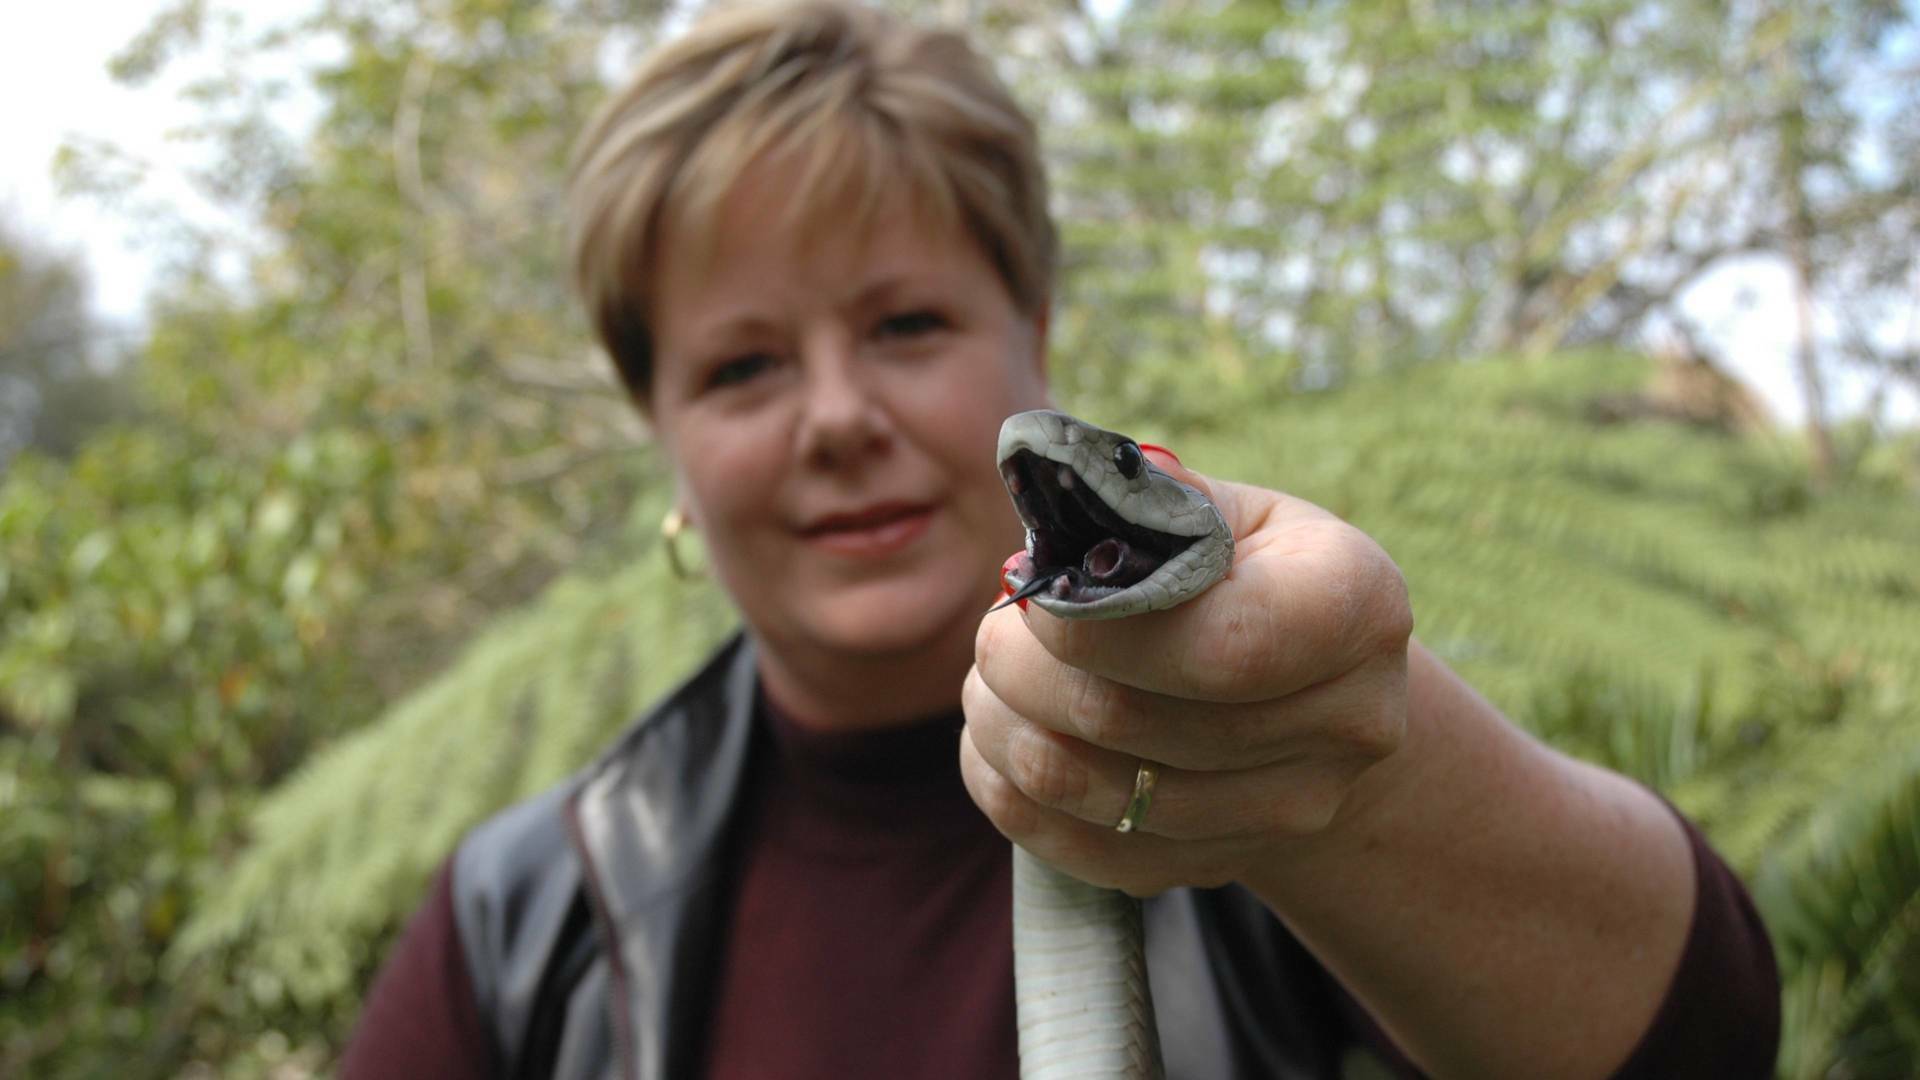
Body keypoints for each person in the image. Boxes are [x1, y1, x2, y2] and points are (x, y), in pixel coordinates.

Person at [342, 1, 1780, 1077]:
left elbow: (1701, 1039)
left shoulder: (1275, 800)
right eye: (741, 368)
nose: (837, 417)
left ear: (1034, 336)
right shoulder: (524, 918)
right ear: (660, 430)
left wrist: (1361, 792)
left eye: (906, 323)